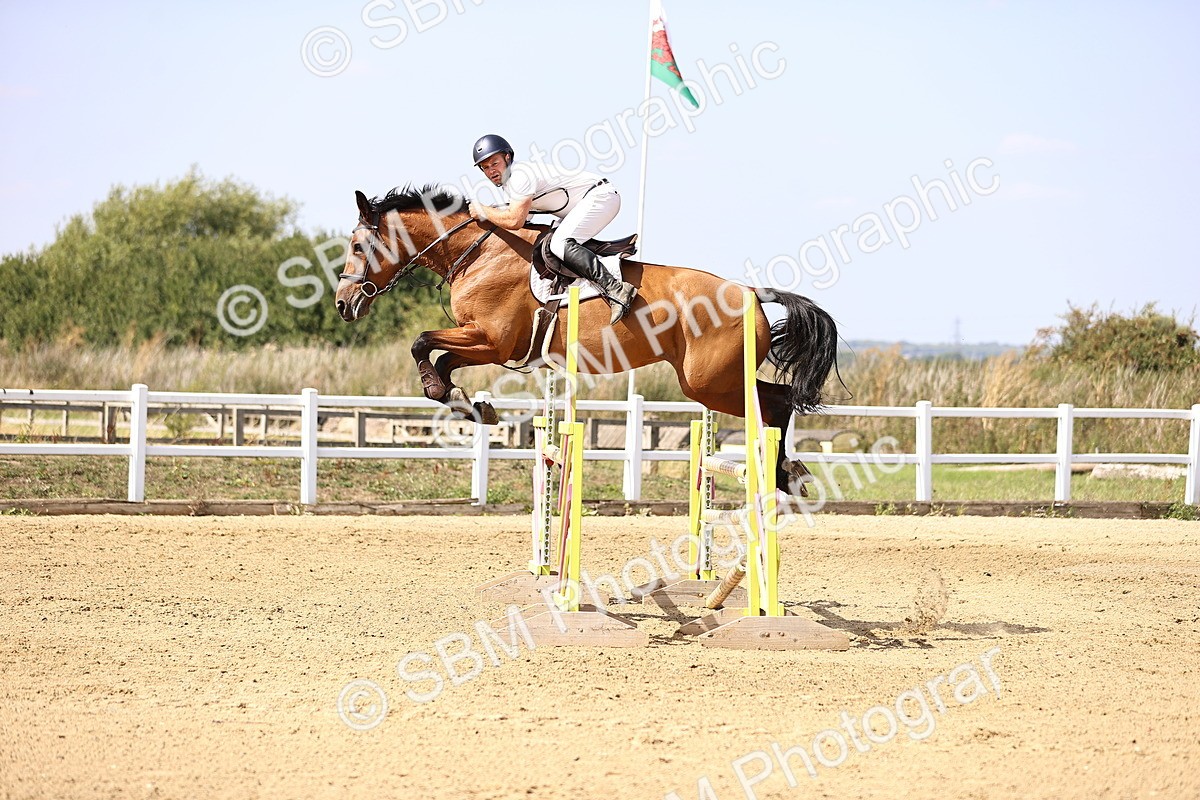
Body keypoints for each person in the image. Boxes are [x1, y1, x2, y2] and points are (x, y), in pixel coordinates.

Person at [466, 134, 638, 325]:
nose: (491, 171)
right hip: (585, 202)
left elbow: (514, 220)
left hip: (600, 197)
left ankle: (616, 290)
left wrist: (483, 209)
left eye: (494, 163)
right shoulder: (510, 184)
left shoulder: (520, 176)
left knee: (560, 243)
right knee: (551, 240)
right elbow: (524, 221)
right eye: (485, 168)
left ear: (507, 157)